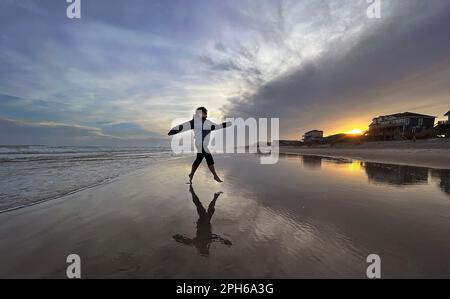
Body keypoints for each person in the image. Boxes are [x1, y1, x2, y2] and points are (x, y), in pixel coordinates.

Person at [168, 107, 231, 183]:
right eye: (204, 114)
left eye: (206, 114)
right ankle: (215, 175)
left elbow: (216, 127)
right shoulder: (194, 122)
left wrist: (225, 125)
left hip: (204, 144)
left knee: (198, 160)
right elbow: (183, 126)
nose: (206, 115)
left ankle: (191, 174)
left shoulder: (208, 122)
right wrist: (173, 131)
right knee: (209, 157)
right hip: (199, 144)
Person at [173, 185, 232, 257]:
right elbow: (217, 238)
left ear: (203, 249)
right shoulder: (206, 241)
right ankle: (214, 196)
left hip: (202, 222)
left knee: (201, 206)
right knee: (207, 209)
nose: (207, 248)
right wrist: (225, 241)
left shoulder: (198, 242)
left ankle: (194, 192)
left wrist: (178, 238)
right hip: (206, 222)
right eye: (207, 250)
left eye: (206, 250)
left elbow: (187, 241)